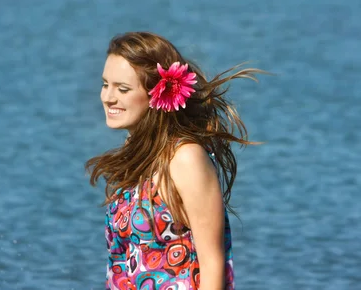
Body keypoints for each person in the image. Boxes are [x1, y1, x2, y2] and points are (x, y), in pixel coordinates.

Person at [85, 32, 266, 290]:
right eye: (105, 84)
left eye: (122, 89)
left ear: (158, 93)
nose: (108, 97)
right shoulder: (137, 154)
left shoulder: (185, 158)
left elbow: (213, 265)